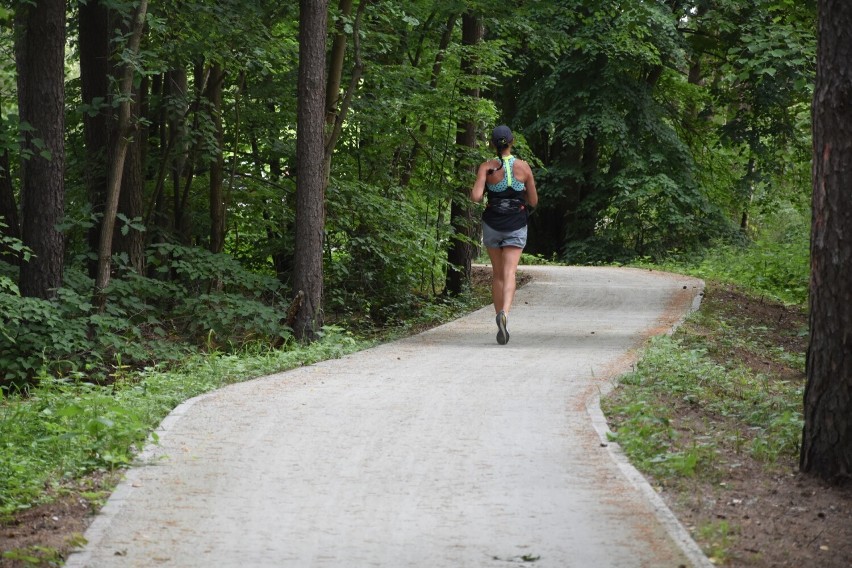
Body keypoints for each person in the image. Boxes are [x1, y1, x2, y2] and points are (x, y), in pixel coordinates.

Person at [471, 125, 538, 345]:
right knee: (510, 273)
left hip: (493, 223)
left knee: (498, 274)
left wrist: (485, 174)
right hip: (516, 223)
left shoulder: (487, 167)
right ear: (512, 141)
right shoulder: (524, 167)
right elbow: (534, 201)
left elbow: (476, 196)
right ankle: (505, 314)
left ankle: (498, 312)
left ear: (492, 144)